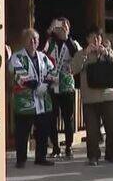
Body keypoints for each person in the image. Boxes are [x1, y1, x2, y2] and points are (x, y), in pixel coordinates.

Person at [70, 27, 113, 166]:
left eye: (98, 37)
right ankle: (93, 156)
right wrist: (85, 54)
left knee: (112, 128)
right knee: (92, 130)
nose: (96, 40)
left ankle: (112, 155)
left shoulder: (107, 51)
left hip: (108, 96)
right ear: (87, 39)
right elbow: (73, 69)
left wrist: (107, 53)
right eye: (92, 37)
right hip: (90, 98)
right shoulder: (81, 53)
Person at [10, 29, 57, 169]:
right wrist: (37, 86)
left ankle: (41, 157)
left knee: (43, 130)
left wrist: (46, 84)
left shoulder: (43, 57)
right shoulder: (17, 57)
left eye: (35, 39)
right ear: (24, 41)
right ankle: (21, 159)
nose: (33, 42)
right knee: (22, 132)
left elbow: (53, 71)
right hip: (25, 102)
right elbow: (20, 75)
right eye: (30, 39)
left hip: (43, 101)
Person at [42, 18, 81, 159]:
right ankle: (55, 147)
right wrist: (49, 31)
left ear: (69, 29)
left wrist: (66, 39)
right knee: (52, 118)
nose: (62, 29)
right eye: (59, 26)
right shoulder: (50, 42)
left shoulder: (73, 43)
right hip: (52, 86)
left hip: (67, 86)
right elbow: (41, 53)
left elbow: (78, 57)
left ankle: (69, 147)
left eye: (65, 27)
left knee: (68, 118)